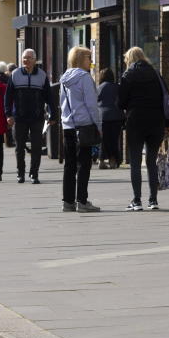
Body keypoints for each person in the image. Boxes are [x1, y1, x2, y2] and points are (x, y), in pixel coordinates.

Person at [118, 46, 169, 211]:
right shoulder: (156, 74)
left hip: (135, 121)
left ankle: (136, 201)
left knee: (135, 162)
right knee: (151, 161)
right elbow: (166, 99)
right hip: (156, 121)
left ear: (129, 59)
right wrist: (167, 124)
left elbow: (120, 102)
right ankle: (153, 200)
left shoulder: (128, 75)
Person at [59, 46, 102, 213]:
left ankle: (68, 202)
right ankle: (82, 201)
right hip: (84, 125)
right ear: (80, 59)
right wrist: (98, 126)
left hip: (68, 126)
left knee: (69, 165)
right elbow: (91, 105)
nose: (91, 61)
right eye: (88, 58)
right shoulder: (84, 78)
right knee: (84, 165)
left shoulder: (64, 78)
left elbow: (62, 104)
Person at [5, 49, 54, 184]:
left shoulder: (42, 75)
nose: (26, 60)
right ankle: (20, 173)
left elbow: (49, 97)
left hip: (37, 117)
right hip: (19, 117)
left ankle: (34, 173)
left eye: (29, 58)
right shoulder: (15, 74)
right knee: (19, 147)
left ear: (34, 60)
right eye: (24, 58)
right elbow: (8, 96)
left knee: (36, 147)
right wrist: (8, 114)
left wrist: (53, 114)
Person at [96, 68, 124, 170]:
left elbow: (95, 101)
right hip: (116, 117)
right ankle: (113, 161)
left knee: (104, 140)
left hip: (102, 117)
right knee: (114, 140)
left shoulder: (99, 88)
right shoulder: (117, 87)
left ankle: (101, 160)